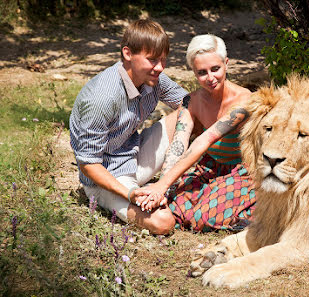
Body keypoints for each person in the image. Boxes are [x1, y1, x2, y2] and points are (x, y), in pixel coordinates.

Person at [69, 19, 189, 235]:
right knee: (163, 222)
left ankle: (202, 174)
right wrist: (130, 192)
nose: (160, 67)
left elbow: (189, 102)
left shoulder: (153, 77)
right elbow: (88, 164)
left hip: (134, 154)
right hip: (106, 178)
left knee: (190, 112)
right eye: (152, 60)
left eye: (163, 60)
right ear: (127, 54)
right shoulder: (102, 97)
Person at [134, 34, 256, 232]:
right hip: (209, 167)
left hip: (240, 169)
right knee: (174, 207)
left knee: (203, 217)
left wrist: (162, 185)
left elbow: (205, 140)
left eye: (215, 69)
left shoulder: (244, 100)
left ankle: (258, 212)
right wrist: (165, 188)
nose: (210, 78)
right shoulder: (191, 101)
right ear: (194, 72)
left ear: (226, 64)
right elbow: (177, 146)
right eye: (202, 72)